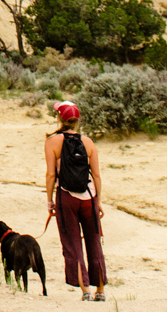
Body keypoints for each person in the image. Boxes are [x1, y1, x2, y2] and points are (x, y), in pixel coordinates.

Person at [45, 100, 106, 301]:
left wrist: (49, 202)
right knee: (94, 242)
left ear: (60, 118)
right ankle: (101, 292)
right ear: (77, 120)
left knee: (72, 244)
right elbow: (96, 175)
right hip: (89, 197)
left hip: (66, 198)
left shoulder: (52, 142)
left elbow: (51, 175)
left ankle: (85, 292)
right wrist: (99, 201)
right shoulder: (88, 142)